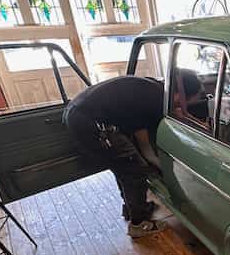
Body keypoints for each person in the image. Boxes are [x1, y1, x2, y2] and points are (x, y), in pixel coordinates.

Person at [63, 75, 166, 239]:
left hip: (76, 112)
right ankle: (139, 224)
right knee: (133, 170)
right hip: (90, 123)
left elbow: (141, 140)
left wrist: (151, 160)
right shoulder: (155, 100)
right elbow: (144, 145)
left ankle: (133, 208)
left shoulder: (152, 87)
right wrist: (158, 165)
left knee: (122, 165)